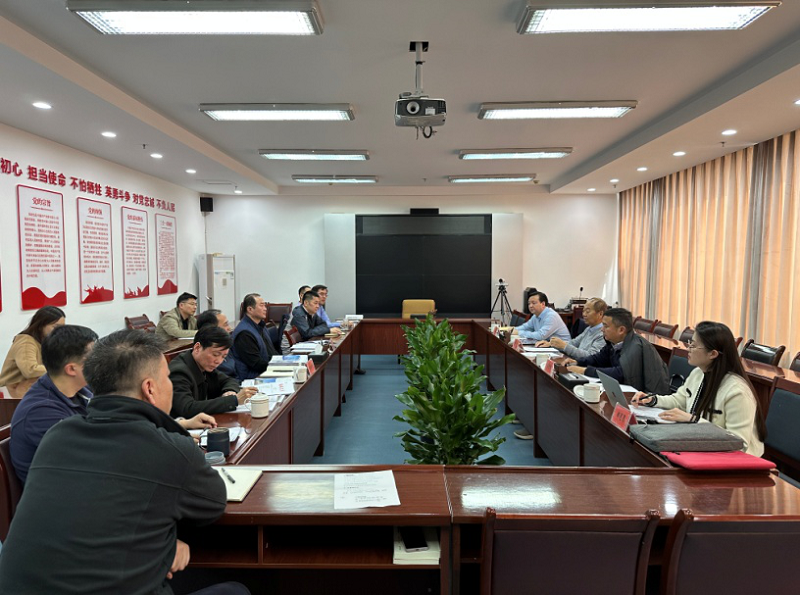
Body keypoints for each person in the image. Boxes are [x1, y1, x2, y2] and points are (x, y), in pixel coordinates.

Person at [0, 329, 250, 595]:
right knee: (236, 590)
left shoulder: (59, 434)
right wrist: (164, 543)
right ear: (150, 388)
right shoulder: (167, 449)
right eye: (167, 378)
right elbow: (212, 505)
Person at [631, 321, 766, 456]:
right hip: (700, 445)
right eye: (690, 342)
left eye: (694, 345)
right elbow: (680, 400)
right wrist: (652, 400)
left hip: (735, 460)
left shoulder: (737, 391)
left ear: (712, 354)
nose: (688, 348)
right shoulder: (698, 373)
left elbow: (738, 443)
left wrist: (694, 420)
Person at [9, 324, 97, 483]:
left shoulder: (81, 389)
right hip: (60, 492)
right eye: (94, 359)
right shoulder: (40, 412)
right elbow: (90, 458)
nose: (99, 364)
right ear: (71, 369)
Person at [565, 307, 670, 393]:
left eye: (606, 326)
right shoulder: (614, 342)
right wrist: (577, 362)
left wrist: (584, 371)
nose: (602, 329)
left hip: (650, 397)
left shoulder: (635, 346)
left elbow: (620, 374)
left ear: (621, 330)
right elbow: (599, 358)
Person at [169, 325, 257, 418]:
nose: (219, 361)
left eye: (223, 357)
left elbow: (229, 380)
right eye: (215, 354)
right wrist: (234, 400)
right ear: (197, 348)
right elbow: (187, 408)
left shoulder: (204, 365)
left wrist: (229, 391)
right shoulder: (179, 372)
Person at [0, 306, 65, 398]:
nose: (59, 331)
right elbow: (30, 370)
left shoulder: (47, 342)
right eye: (55, 327)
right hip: (11, 394)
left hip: (31, 390)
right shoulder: (26, 342)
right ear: (41, 326)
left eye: (62, 328)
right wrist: (59, 369)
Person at [537, 298, 607, 359]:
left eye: (587, 311)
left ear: (600, 314)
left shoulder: (603, 334)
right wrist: (552, 344)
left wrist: (564, 346)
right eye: (583, 311)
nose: (584, 314)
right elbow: (573, 343)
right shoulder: (589, 329)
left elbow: (591, 357)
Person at [231, 293, 280, 380]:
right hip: (252, 377)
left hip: (265, 370)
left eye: (265, 305)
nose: (265, 309)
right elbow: (256, 363)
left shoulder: (261, 326)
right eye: (261, 305)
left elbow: (271, 352)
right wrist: (279, 367)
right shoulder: (244, 333)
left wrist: (283, 362)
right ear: (250, 309)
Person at [196, 308, 236, 377]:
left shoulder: (225, 344)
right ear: (212, 329)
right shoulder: (207, 360)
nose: (229, 328)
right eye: (225, 324)